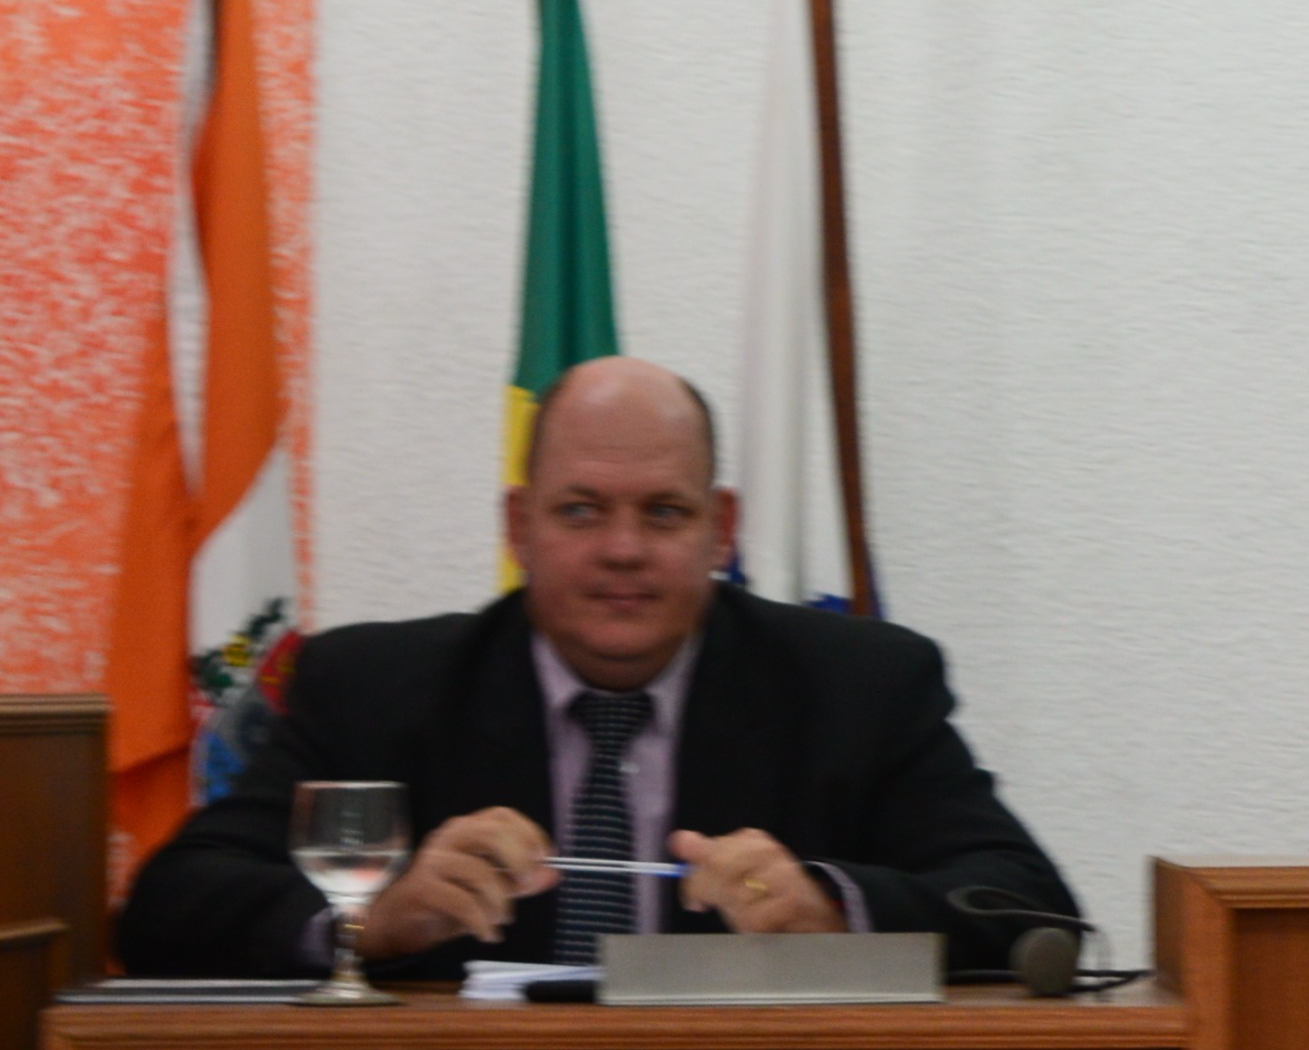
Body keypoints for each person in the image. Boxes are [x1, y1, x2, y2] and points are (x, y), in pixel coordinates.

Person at [118, 356, 1074, 981]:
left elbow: (1032, 909)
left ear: (721, 530)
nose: (623, 550)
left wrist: (833, 911)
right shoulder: (374, 688)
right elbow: (166, 910)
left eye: (664, 512)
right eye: (581, 511)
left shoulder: (859, 686)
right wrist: (374, 921)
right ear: (519, 527)